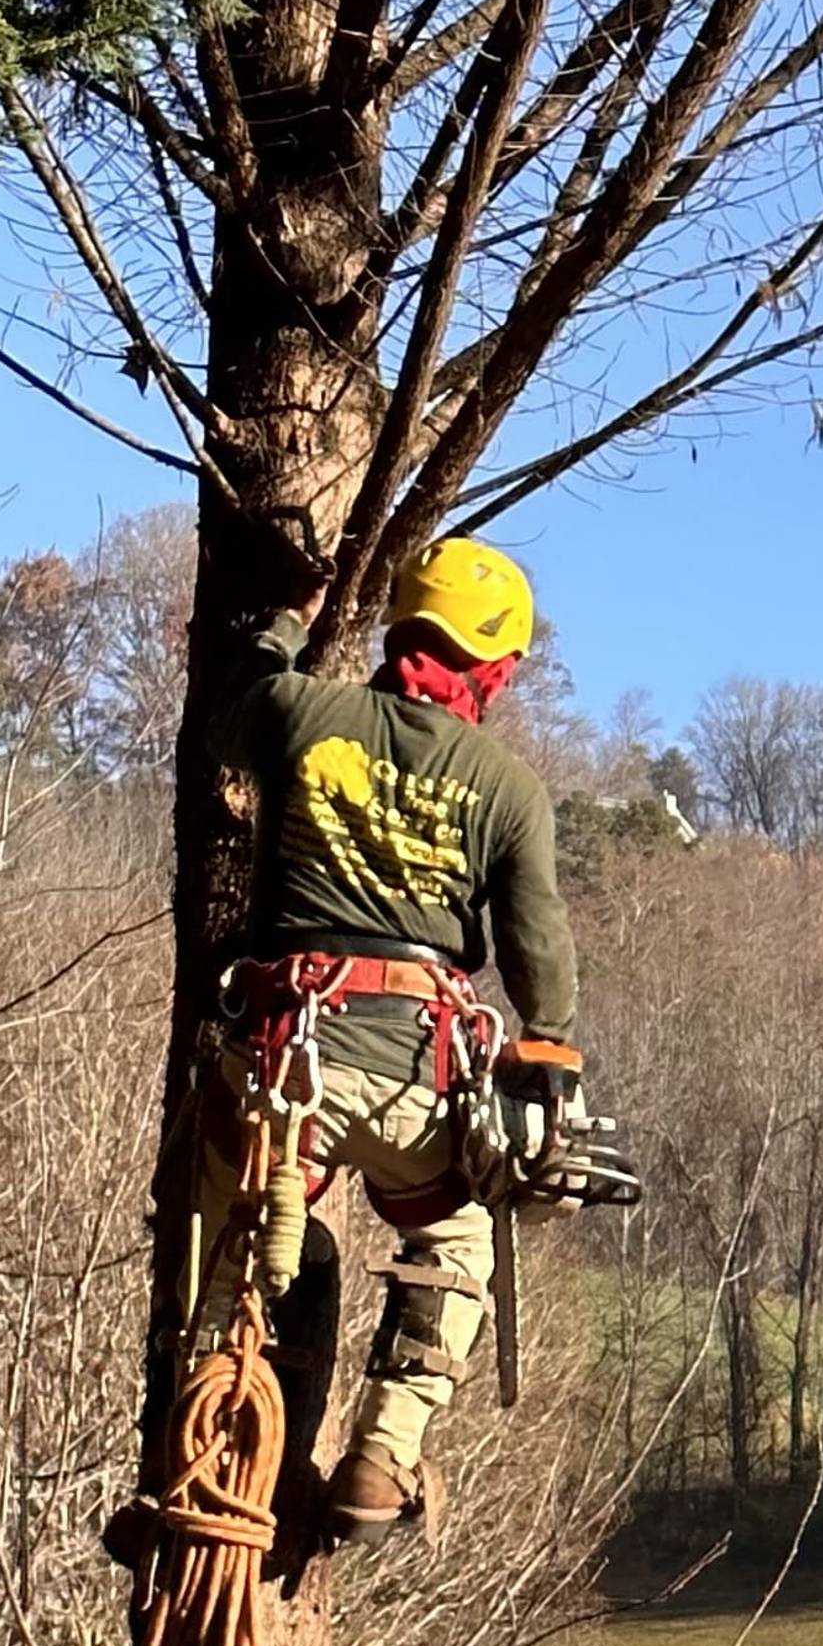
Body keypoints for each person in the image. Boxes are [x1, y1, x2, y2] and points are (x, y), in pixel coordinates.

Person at [194, 533, 588, 1539]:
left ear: (399, 625)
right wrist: (548, 1044)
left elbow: (238, 705)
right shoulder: (506, 789)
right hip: (417, 1081)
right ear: (492, 668)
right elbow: (535, 943)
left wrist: (289, 617)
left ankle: (193, 1397)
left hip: (281, 1066)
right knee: (456, 1235)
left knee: (216, 1205)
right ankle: (384, 1451)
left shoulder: (303, 713)